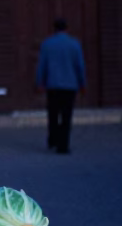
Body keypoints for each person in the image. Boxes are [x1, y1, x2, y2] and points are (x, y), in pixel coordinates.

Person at [35, 18, 86, 154]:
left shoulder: (47, 44)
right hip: (70, 85)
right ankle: (63, 145)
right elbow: (79, 66)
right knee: (66, 116)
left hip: (53, 85)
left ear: (54, 28)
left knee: (53, 114)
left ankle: (53, 139)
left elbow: (42, 66)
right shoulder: (75, 44)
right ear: (66, 28)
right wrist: (82, 83)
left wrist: (40, 82)